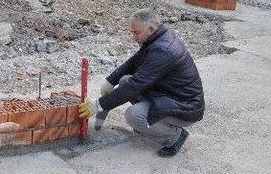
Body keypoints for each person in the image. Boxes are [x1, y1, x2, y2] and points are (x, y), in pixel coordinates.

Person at [78, 10, 204, 157]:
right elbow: (134, 61)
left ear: (150, 29)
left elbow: (137, 85)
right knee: (124, 80)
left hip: (185, 107)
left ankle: (174, 136)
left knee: (133, 115)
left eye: (136, 33)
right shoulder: (157, 39)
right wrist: (110, 81)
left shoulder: (164, 50)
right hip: (170, 97)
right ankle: (149, 127)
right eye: (132, 33)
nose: (133, 37)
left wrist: (100, 104)